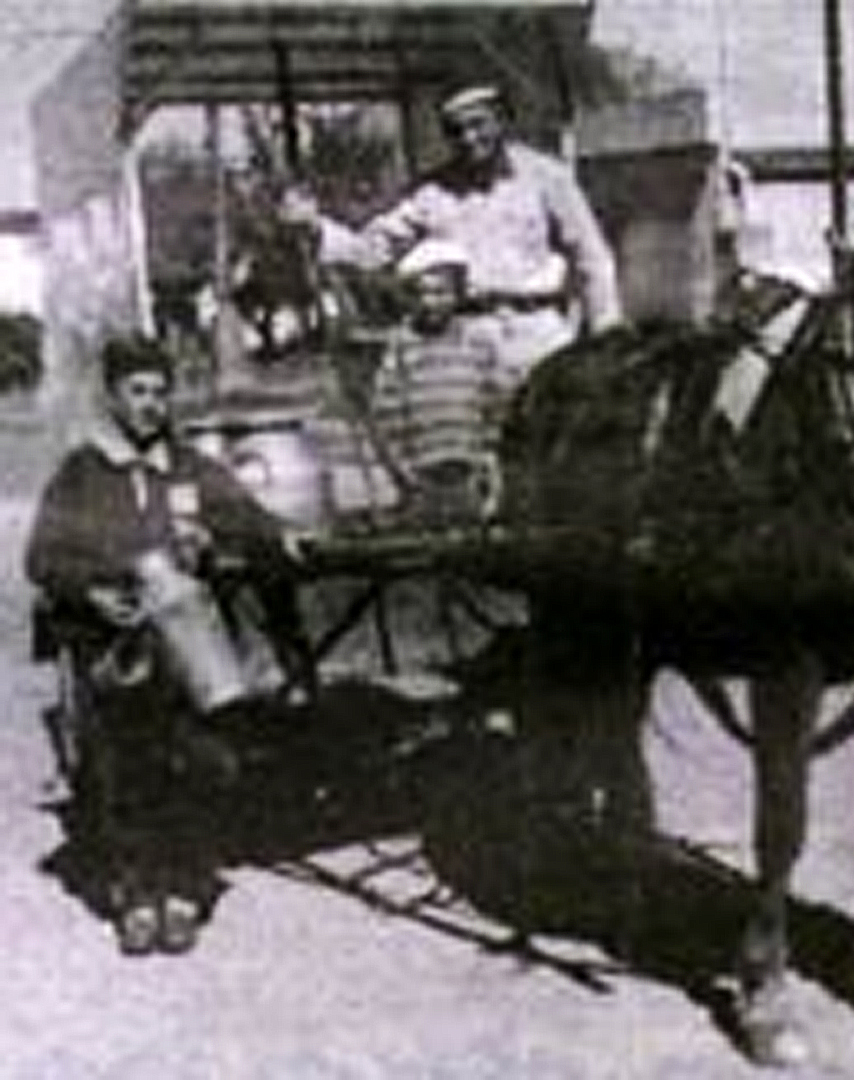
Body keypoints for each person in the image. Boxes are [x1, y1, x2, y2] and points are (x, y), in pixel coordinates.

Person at [26, 334, 305, 956]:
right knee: (122, 771)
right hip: (111, 650)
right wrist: (91, 593)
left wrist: (280, 536)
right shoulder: (83, 472)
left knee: (197, 764)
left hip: (184, 650)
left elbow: (245, 515)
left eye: (160, 392)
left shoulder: (187, 467)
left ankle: (185, 887)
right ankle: (135, 893)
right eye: (138, 392)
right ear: (113, 396)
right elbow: (43, 558)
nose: (151, 405)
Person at [284, 84, 623, 383]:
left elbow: (592, 259)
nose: (468, 138)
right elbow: (371, 250)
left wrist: (608, 341)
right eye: (455, 130)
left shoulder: (549, 178)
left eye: (479, 124)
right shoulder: (431, 193)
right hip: (465, 340)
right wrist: (314, 227)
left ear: (502, 120)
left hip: (540, 336)